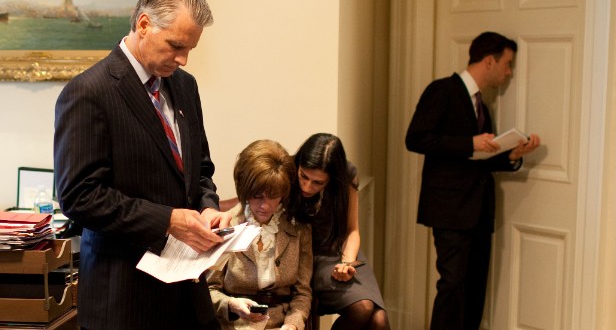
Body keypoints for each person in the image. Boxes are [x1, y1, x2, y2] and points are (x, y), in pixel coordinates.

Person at [53, 0, 231, 330]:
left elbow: (200, 168)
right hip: (124, 299)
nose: (183, 59)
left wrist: (208, 206)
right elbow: (79, 197)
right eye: (176, 45)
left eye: (190, 49)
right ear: (144, 24)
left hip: (188, 295)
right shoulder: (89, 92)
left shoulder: (184, 86)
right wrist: (166, 220)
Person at [405, 31, 541, 330]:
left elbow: (480, 160)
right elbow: (415, 138)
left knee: (475, 286)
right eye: (507, 64)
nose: (509, 73)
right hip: (449, 209)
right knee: (452, 285)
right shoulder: (442, 90)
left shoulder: (482, 105)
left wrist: (513, 154)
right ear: (489, 61)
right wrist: (470, 143)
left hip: (479, 210)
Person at [207, 139, 313, 330]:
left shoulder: (298, 229)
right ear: (245, 191)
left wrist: (293, 324)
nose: (265, 206)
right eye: (257, 196)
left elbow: (302, 293)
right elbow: (210, 290)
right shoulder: (226, 225)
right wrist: (231, 305)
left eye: (273, 196)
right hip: (236, 325)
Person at [289, 133, 390, 330]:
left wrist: (347, 263)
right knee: (363, 308)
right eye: (304, 176)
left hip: (341, 250)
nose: (307, 186)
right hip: (308, 255)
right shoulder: (287, 169)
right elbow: (252, 200)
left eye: (318, 182)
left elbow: (352, 230)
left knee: (379, 321)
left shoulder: (347, 174)